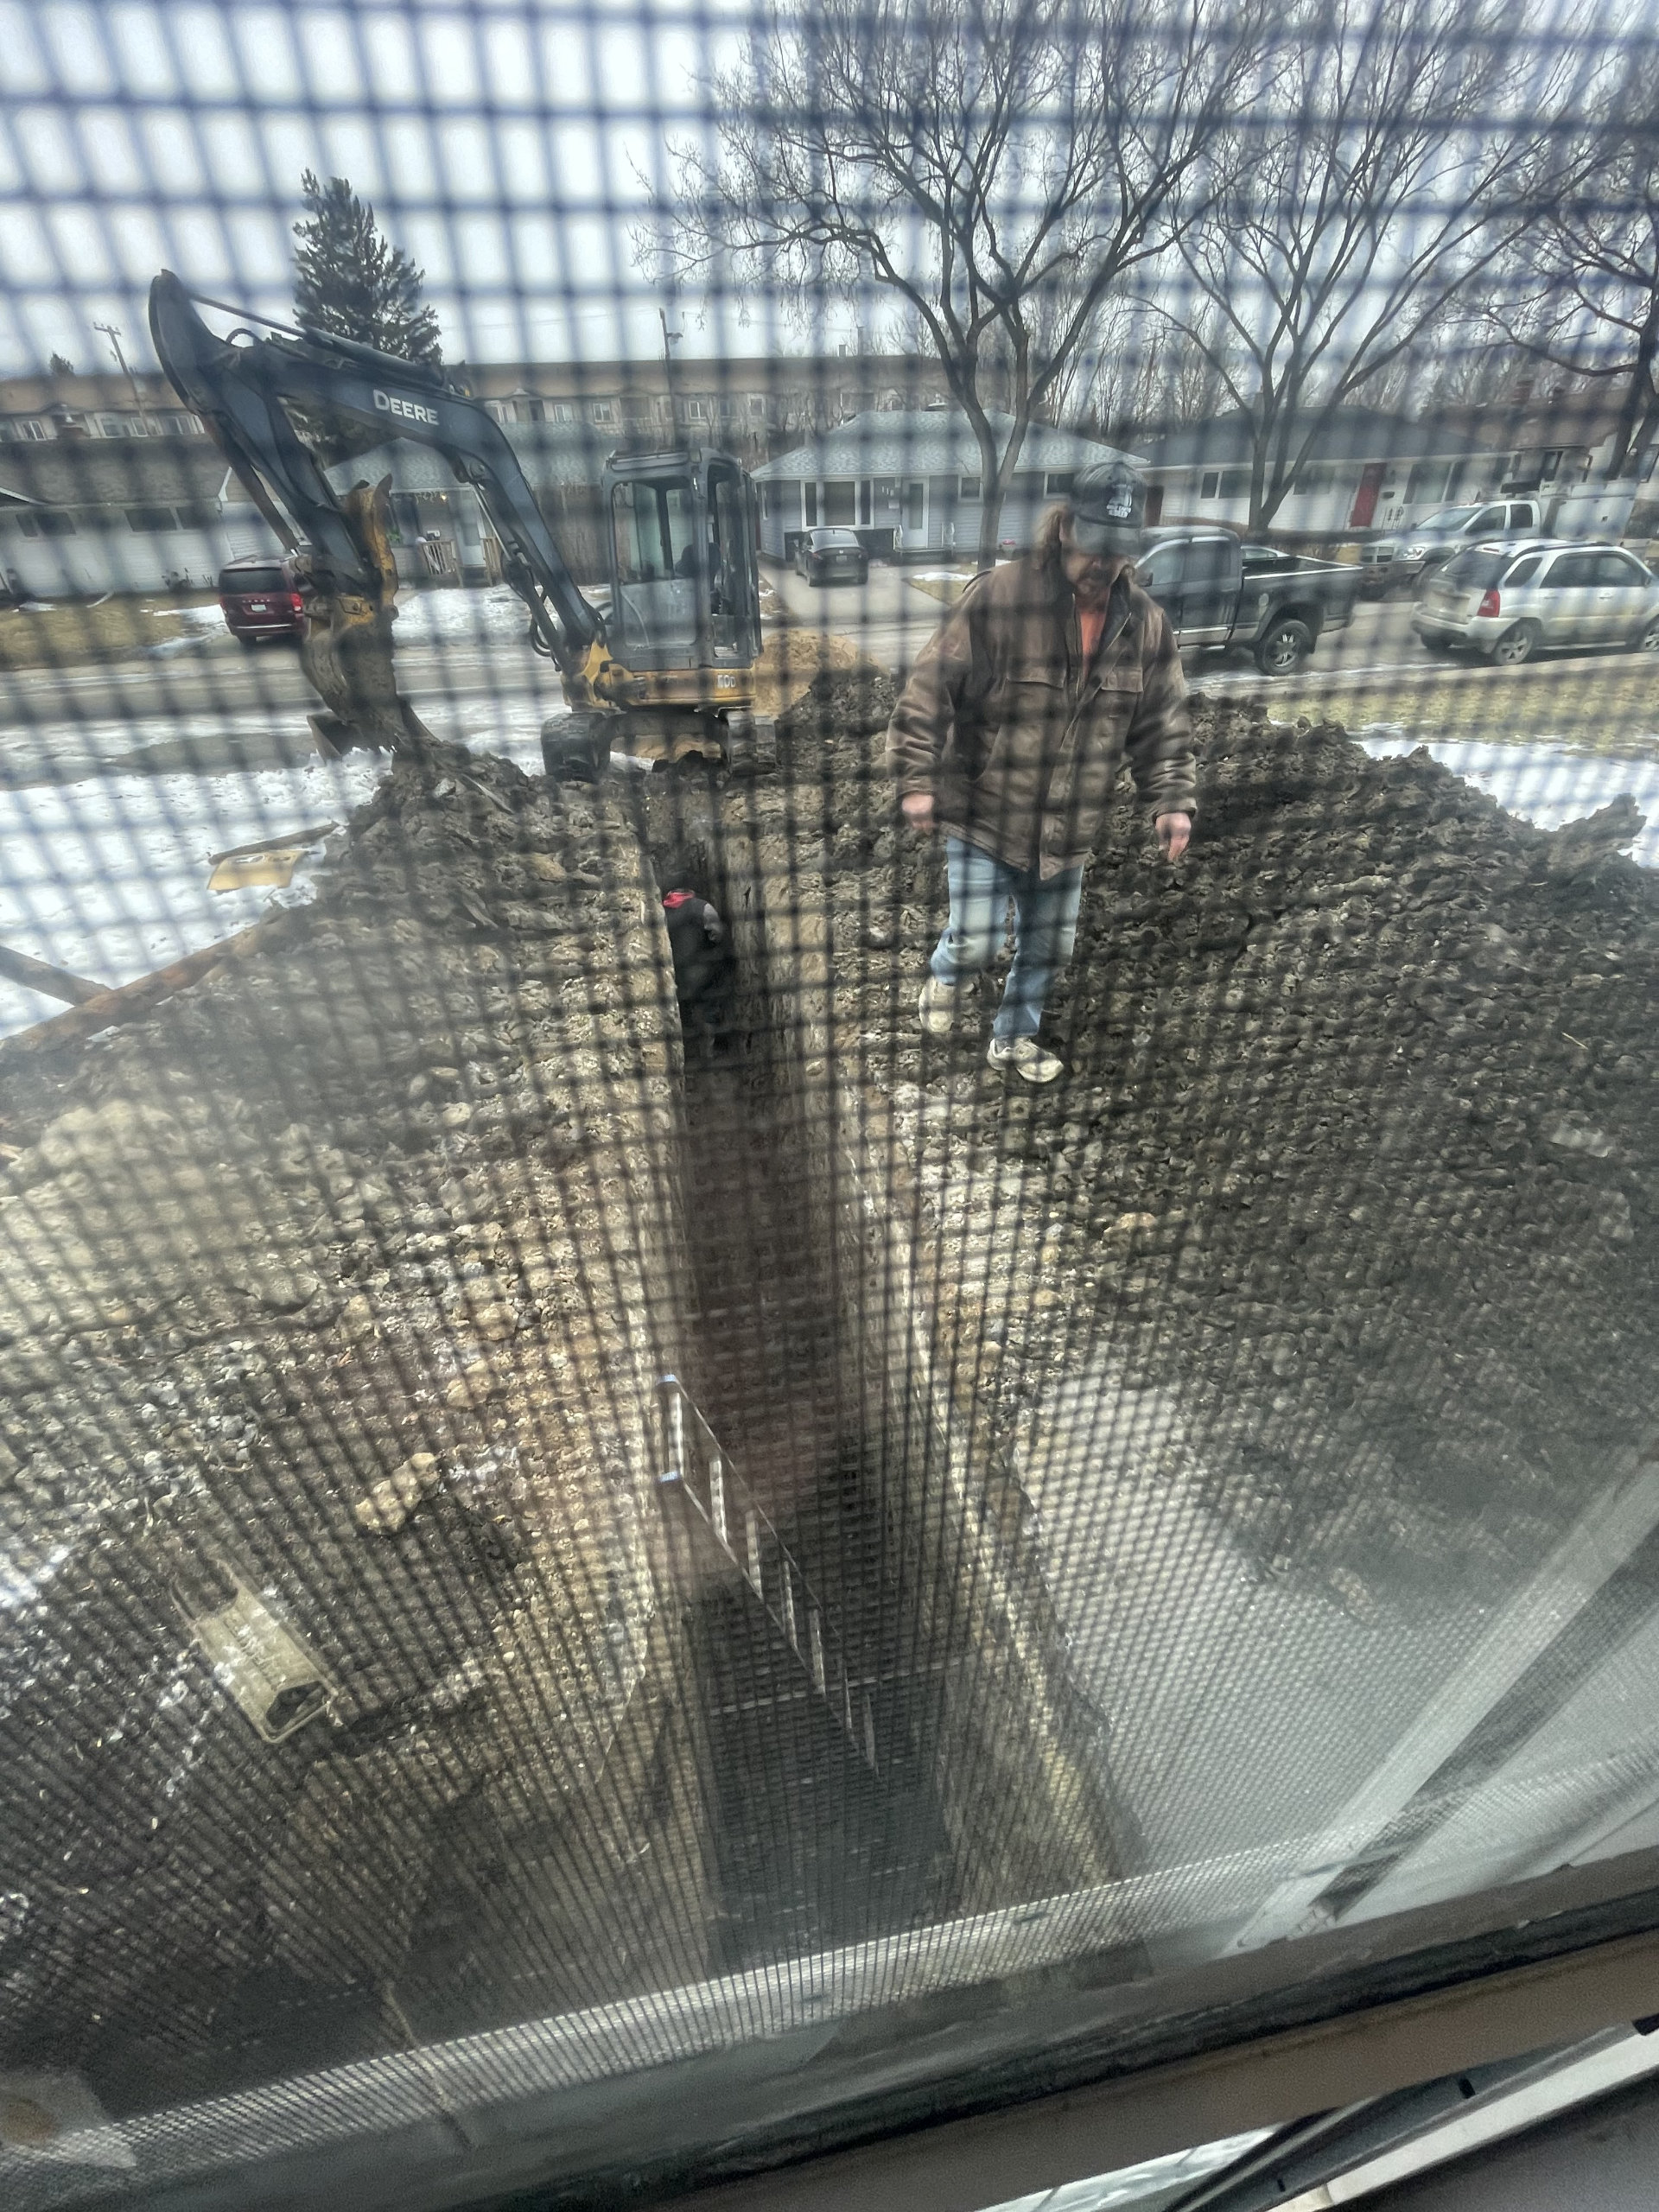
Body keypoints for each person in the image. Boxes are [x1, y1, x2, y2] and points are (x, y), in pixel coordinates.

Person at [886, 461, 1197, 1085]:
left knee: (1051, 948)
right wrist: (915, 777)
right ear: (1063, 531)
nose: (1103, 563)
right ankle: (947, 977)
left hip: (1068, 829)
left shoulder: (1144, 626)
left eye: (1117, 550)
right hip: (984, 811)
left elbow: (1163, 722)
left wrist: (1171, 799)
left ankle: (1013, 1038)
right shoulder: (1002, 598)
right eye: (1092, 546)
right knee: (976, 940)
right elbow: (929, 688)